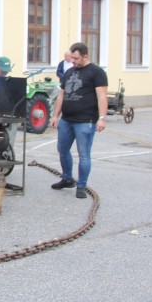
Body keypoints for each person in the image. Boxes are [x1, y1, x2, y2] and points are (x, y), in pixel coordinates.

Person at [49, 42, 108, 199]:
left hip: (85, 121)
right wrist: (55, 116)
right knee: (62, 150)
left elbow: (102, 96)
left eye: (75, 58)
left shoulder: (97, 72)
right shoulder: (69, 72)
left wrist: (102, 118)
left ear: (85, 56)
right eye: (71, 58)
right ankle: (67, 178)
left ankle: (81, 185)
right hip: (66, 120)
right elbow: (61, 95)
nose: (72, 61)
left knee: (83, 154)